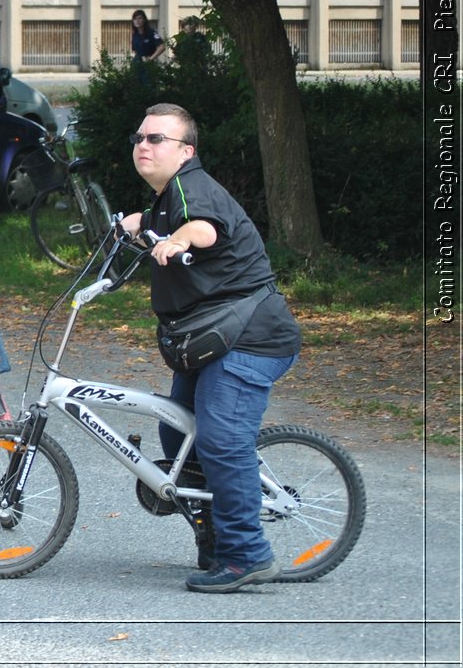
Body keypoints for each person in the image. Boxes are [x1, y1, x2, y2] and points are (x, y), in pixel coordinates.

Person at [119, 103, 301, 594]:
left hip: (251, 340)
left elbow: (203, 228)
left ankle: (247, 555)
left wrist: (176, 240)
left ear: (186, 151)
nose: (144, 145)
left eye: (157, 139)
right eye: (139, 137)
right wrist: (136, 226)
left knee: (221, 439)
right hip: (210, 339)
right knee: (177, 432)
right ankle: (214, 536)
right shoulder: (165, 196)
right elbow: (160, 222)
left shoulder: (192, 188)